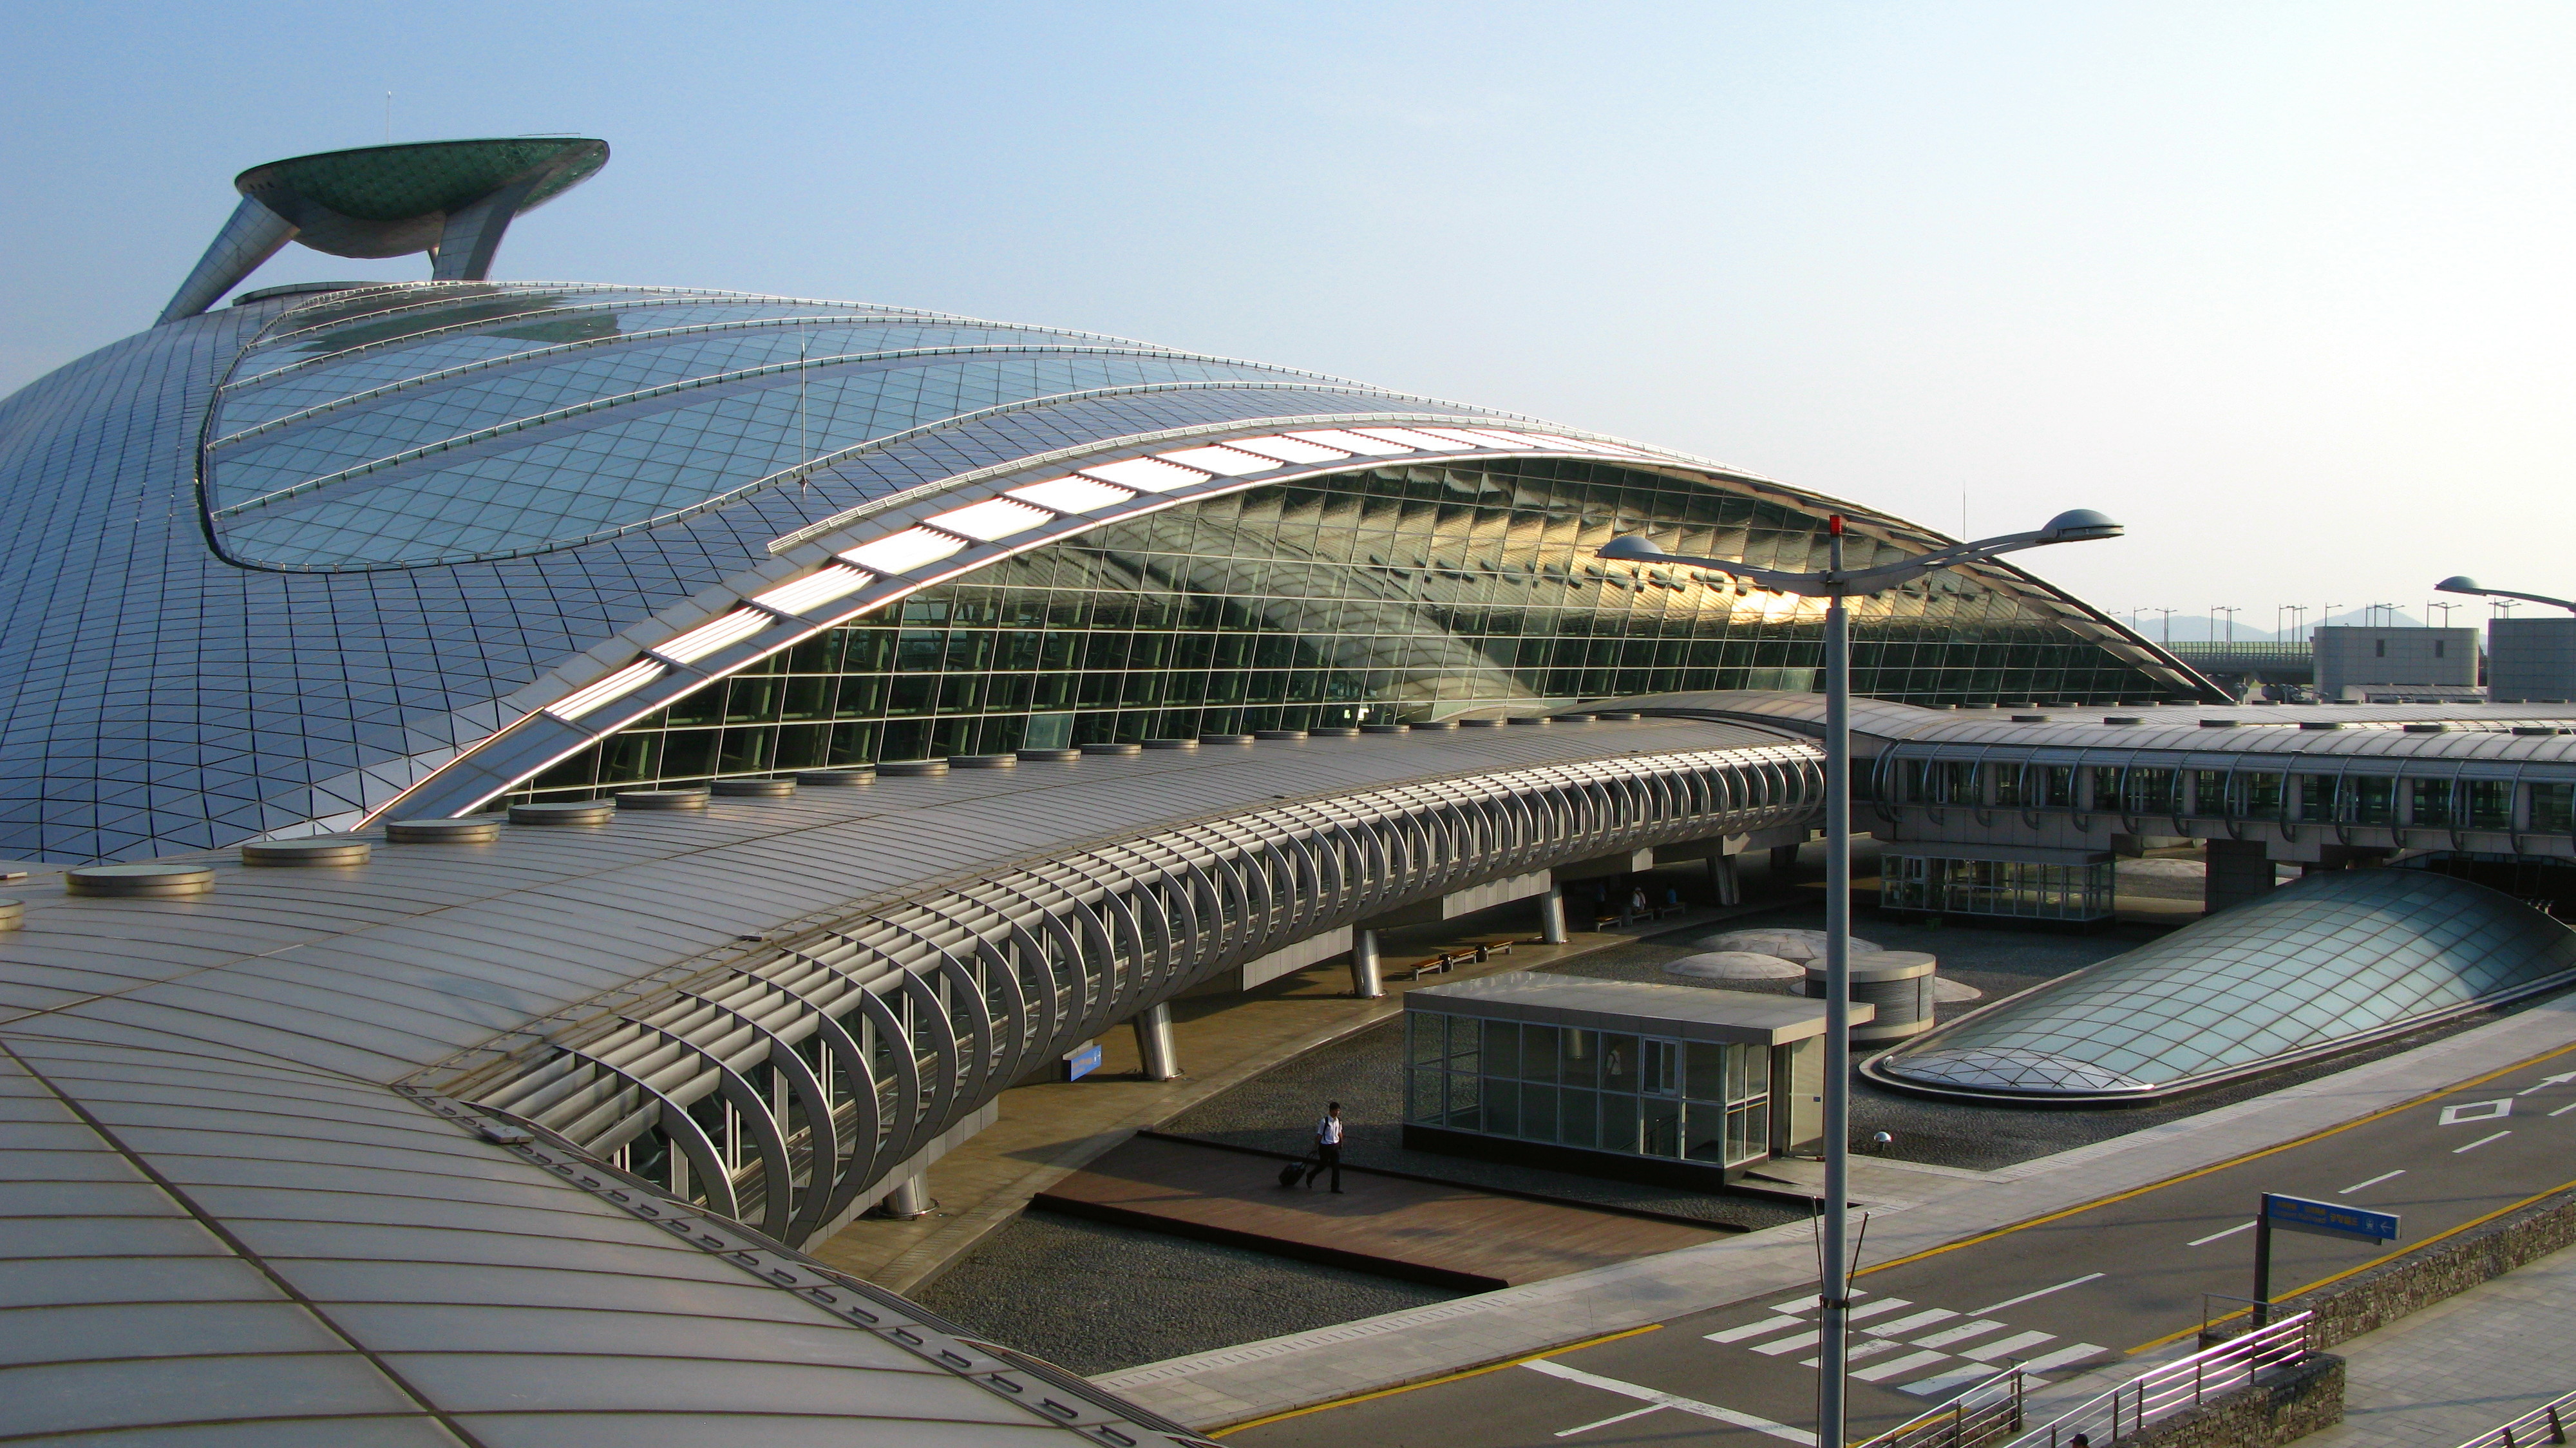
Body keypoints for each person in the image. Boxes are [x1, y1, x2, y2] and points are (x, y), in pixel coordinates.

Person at [1307, 1101, 1345, 1192]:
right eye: (1335, 1111)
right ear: (1331, 1111)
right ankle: (1311, 1175)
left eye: (1338, 1111)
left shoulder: (1339, 1121)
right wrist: (1315, 1147)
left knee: (1336, 1167)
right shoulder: (1324, 1121)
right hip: (1325, 1146)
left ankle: (1335, 1188)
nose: (1337, 1113)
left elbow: (1339, 1133)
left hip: (1335, 1146)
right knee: (1323, 1165)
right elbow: (1319, 1135)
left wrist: (1341, 1143)